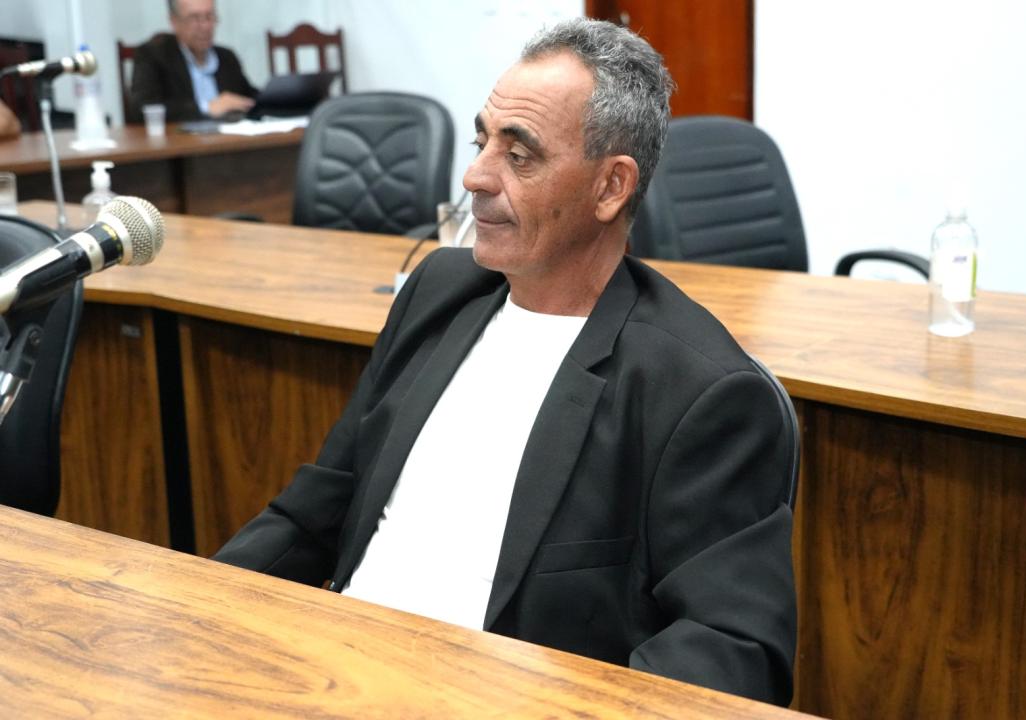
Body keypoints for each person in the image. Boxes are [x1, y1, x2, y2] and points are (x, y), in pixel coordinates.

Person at [215, 18, 796, 705]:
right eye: (481, 141)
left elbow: (732, 650)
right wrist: (201, 606)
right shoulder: (439, 292)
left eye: (519, 156)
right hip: (335, 674)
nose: (475, 175)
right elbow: (316, 510)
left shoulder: (698, 390)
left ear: (611, 187)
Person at [130, 0, 256, 123]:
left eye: (209, 16)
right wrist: (206, 107)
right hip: (179, 136)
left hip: (230, 136)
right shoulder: (154, 56)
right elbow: (141, 109)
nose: (205, 26)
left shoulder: (226, 57)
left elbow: (249, 98)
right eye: (195, 18)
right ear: (174, 21)